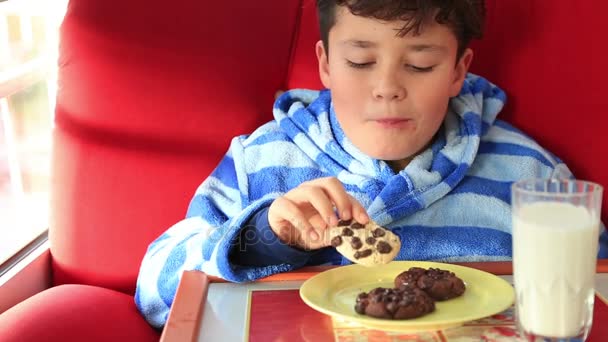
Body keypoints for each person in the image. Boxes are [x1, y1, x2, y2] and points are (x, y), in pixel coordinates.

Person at [135, 0, 608, 329]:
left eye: (420, 65)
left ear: (459, 71)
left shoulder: (530, 175)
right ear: (325, 64)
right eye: (360, 61)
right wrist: (264, 237)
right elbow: (155, 293)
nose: (387, 87)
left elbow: (596, 295)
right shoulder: (262, 159)